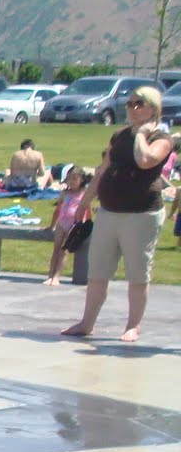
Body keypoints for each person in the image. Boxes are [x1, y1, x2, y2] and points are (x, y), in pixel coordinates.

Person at [62, 85, 172, 342]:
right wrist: (84, 201)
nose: (132, 108)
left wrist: (142, 135)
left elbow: (145, 160)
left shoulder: (163, 138)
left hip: (142, 214)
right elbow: (103, 169)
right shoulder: (119, 136)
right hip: (109, 211)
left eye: (139, 104)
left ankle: (133, 325)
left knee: (137, 273)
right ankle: (87, 323)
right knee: (97, 272)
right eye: (129, 103)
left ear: (153, 109)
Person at [45, 166, 89, 286]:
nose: (71, 181)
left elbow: (87, 211)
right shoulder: (64, 193)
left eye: (74, 179)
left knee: (64, 250)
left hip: (74, 224)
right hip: (62, 223)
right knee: (56, 249)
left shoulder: (84, 194)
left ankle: (56, 276)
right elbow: (58, 210)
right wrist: (52, 226)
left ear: (81, 180)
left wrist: (83, 226)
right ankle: (50, 276)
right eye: (69, 178)